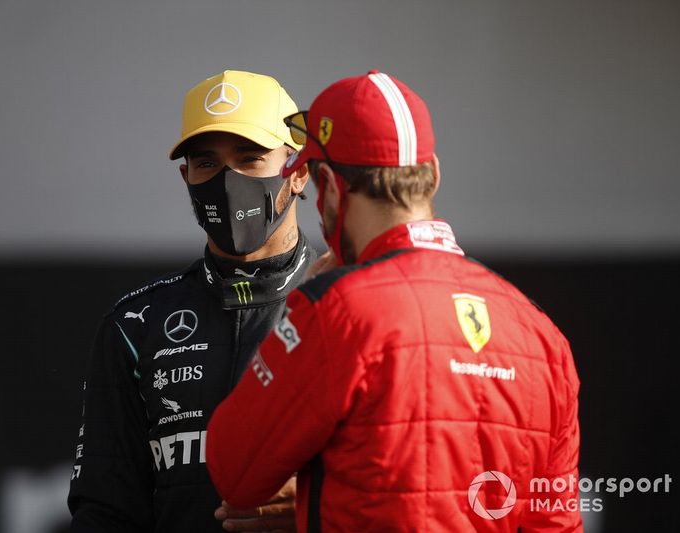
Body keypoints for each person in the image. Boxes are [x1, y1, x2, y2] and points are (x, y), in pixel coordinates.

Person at [207, 71, 582, 532]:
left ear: (328, 185)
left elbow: (234, 471)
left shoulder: (334, 310)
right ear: (434, 175)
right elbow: (556, 523)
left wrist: (301, 312)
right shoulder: (541, 335)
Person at [68, 70, 316, 532]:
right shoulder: (135, 324)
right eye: (207, 164)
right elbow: (104, 510)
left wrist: (319, 507)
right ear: (186, 177)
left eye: (250, 158)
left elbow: (409, 487)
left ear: (297, 170)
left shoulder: (350, 304)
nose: (228, 179)